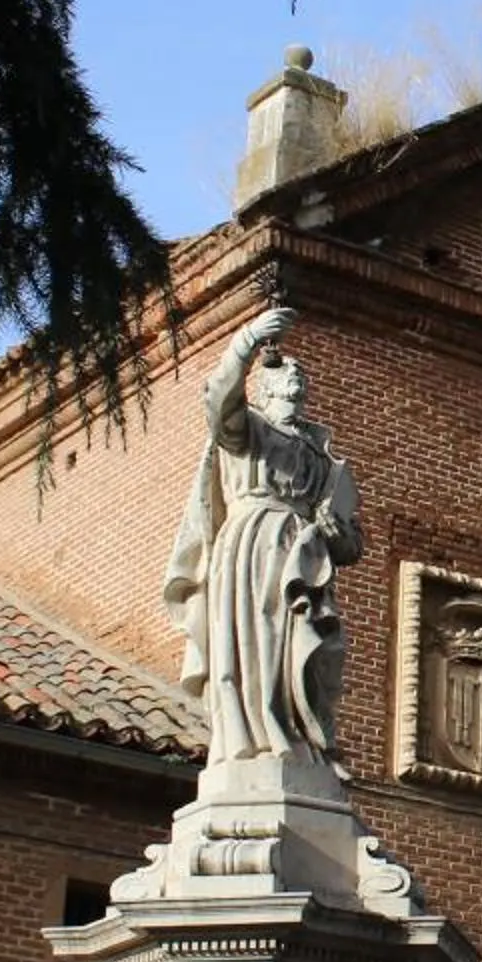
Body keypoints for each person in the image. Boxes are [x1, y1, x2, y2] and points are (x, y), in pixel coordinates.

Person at [163, 306, 363, 768]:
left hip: (306, 555)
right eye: (284, 385)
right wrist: (247, 342)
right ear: (265, 390)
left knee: (309, 651)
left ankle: (301, 739)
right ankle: (254, 739)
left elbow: (351, 543)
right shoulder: (246, 431)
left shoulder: (321, 456)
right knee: (255, 646)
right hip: (252, 548)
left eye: (300, 386)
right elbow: (218, 400)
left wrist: (337, 534)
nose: (294, 389)